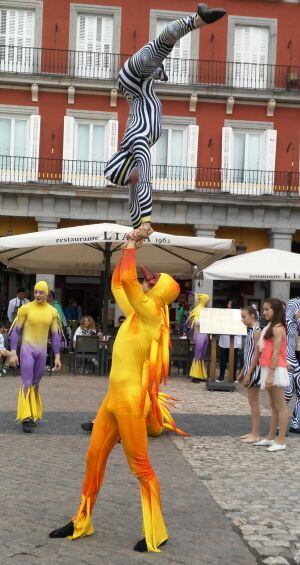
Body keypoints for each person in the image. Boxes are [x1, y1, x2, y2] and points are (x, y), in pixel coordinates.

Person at [49, 237, 183, 552]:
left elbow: (126, 280)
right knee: (93, 457)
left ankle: (156, 531)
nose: (146, 283)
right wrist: (127, 250)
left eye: (153, 282)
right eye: (148, 281)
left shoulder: (150, 312)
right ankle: (81, 519)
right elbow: (117, 282)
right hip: (112, 399)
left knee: (140, 467)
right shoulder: (137, 312)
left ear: (161, 292)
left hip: (131, 402)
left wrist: (132, 246)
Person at [104, 4, 226, 240]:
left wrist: (146, 221)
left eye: (132, 176)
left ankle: (195, 20)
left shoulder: (137, 142)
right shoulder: (135, 149)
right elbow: (134, 197)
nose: (135, 179)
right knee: (156, 56)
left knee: (159, 46)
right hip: (140, 82)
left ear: (128, 167)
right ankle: (191, 26)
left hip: (130, 78)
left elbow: (145, 180)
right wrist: (138, 228)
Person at [9, 280, 62, 433]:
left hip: (42, 351)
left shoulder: (52, 311)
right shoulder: (25, 308)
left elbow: (55, 336)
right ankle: (25, 417)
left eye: (41, 292)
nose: (38, 295)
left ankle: (31, 414)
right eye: (36, 292)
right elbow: (15, 331)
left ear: (47, 294)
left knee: (36, 382)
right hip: (27, 349)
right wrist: (13, 352)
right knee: (26, 381)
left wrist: (57, 356)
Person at [254, 299, 289, 452]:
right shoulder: (273, 327)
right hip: (269, 367)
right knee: (274, 406)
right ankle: (270, 437)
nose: (264, 312)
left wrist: (271, 374)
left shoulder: (277, 328)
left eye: (267, 309)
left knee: (280, 406)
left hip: (275, 369)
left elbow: (276, 352)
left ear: (275, 310)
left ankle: (280, 440)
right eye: (264, 309)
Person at [237, 306, 261, 443]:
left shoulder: (256, 331)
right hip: (250, 369)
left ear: (252, 315)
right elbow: (249, 353)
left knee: (254, 403)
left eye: (244, 316)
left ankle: (255, 433)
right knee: (252, 403)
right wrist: (243, 371)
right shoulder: (252, 331)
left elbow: (257, 354)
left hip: (254, 370)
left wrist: (249, 372)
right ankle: (253, 432)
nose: (242, 320)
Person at [284, 298, 300, 433]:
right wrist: (295, 316)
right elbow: (289, 327)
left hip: (295, 360)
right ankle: (278, 425)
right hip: (287, 360)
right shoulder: (286, 322)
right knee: (288, 393)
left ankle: (295, 424)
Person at [186, 293, 210, 383]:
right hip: (199, 334)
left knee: (201, 355)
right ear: (204, 300)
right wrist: (206, 321)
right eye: (207, 301)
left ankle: (200, 375)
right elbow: (196, 322)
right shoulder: (198, 310)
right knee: (198, 355)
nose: (208, 302)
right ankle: (194, 376)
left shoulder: (204, 310)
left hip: (204, 334)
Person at [217, 299, 242, 382]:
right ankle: (221, 376)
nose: (228, 306)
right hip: (224, 340)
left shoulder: (239, 315)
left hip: (233, 341)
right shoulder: (224, 314)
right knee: (222, 360)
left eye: (230, 304)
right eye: (228, 304)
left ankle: (233, 377)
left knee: (233, 361)